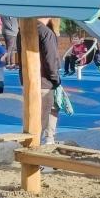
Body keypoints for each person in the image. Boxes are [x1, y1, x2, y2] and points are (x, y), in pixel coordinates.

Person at [36, 18, 66, 146]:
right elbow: (51, 58)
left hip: (30, 80)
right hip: (45, 82)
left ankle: (45, 139)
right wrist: (56, 79)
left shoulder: (24, 30)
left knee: (42, 111)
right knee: (47, 112)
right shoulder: (46, 32)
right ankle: (44, 141)